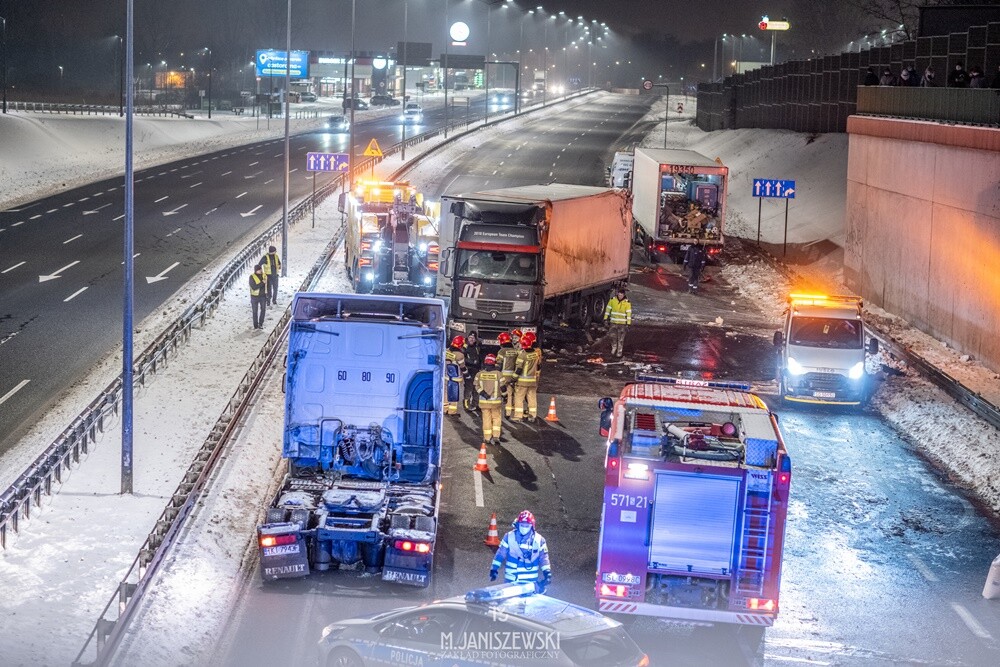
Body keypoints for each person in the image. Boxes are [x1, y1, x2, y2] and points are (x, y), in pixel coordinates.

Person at [489, 510, 552, 590]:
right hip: (511, 581)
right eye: (522, 525)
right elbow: (500, 554)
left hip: (530, 583)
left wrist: (547, 573)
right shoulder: (509, 537)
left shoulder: (539, 540)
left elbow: (544, 558)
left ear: (532, 526)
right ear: (518, 524)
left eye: (527, 526)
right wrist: (494, 569)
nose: (524, 528)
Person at [512, 332, 541, 422]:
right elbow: (539, 366)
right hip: (532, 381)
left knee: (519, 398)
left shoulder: (522, 355)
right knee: (532, 398)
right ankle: (532, 416)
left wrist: (513, 378)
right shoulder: (536, 354)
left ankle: (518, 416)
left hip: (522, 382)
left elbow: (519, 369)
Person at [474, 354, 503, 445]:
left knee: (486, 419)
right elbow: (503, 387)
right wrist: (505, 396)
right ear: (494, 363)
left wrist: (483, 394)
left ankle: (487, 438)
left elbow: (476, 386)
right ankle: (496, 436)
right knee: (496, 418)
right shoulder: (498, 374)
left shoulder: (479, 374)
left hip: (484, 402)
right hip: (496, 402)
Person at [603, 287, 632, 358]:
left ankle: (619, 353)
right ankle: (614, 349)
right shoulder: (612, 300)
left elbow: (628, 314)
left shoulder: (627, 303)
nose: (620, 296)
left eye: (621, 295)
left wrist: (628, 324)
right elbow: (608, 310)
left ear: (624, 295)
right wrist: (605, 319)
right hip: (613, 323)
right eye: (619, 295)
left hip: (622, 324)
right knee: (612, 337)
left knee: (621, 339)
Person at [496, 332, 520, 418]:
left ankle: (497, 411)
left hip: (503, 375)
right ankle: (508, 413)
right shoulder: (515, 351)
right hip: (512, 376)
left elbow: (499, 364)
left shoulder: (501, 351)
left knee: (499, 393)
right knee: (510, 394)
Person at [444, 336, 467, 416]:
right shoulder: (460, 355)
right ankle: (452, 411)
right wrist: (467, 375)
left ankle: (445, 409)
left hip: (446, 376)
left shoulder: (446, 351)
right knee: (454, 394)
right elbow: (462, 367)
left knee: (445, 392)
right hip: (455, 378)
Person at [462, 331, 483, 412]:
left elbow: (480, 358)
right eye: (470, 338)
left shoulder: (477, 347)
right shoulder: (465, 347)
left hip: (476, 370)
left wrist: (481, 367)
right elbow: (462, 358)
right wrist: (471, 362)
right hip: (469, 369)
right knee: (469, 387)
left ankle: (475, 404)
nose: (471, 339)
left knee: (476, 387)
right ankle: (466, 404)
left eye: (473, 338)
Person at [249, 264, 267, 330]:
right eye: (259, 270)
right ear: (256, 271)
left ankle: (261, 324)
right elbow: (254, 287)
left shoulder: (264, 275)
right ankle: (255, 325)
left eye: (261, 269)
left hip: (263, 296)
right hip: (254, 297)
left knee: (263, 310)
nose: (261, 271)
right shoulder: (252, 277)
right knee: (255, 311)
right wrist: (262, 283)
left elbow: (267, 285)